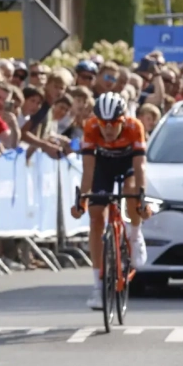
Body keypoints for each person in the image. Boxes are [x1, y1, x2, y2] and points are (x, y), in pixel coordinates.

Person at [71, 92, 150, 310]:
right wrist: (82, 201)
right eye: (103, 123)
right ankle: (97, 287)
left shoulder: (135, 127)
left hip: (128, 166)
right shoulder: (91, 127)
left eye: (113, 123)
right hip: (102, 168)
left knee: (132, 190)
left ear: (122, 120)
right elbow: (88, 170)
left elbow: (140, 167)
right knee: (96, 219)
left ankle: (135, 235)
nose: (107, 128)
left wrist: (141, 198)